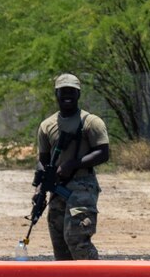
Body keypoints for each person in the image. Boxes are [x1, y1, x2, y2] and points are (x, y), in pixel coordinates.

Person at [34, 73, 110, 260]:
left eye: (72, 92)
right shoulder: (47, 125)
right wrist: (39, 189)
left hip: (83, 185)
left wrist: (74, 164)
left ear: (78, 94)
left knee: (77, 239)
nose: (67, 95)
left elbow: (103, 152)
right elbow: (43, 160)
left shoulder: (91, 122)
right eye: (63, 91)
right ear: (56, 94)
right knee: (59, 242)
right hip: (57, 188)